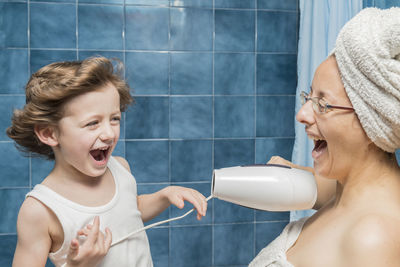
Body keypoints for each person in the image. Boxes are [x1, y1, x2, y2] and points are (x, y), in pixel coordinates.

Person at [7, 57, 208, 267]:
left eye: (114, 119)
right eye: (93, 123)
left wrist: (164, 196)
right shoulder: (40, 210)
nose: (109, 133)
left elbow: (131, 209)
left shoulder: (120, 168)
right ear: (49, 133)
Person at [250, 7, 400, 267]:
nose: (302, 114)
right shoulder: (345, 191)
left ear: (371, 123)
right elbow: (323, 188)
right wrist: (289, 171)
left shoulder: (373, 238)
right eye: (309, 97)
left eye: (323, 104)